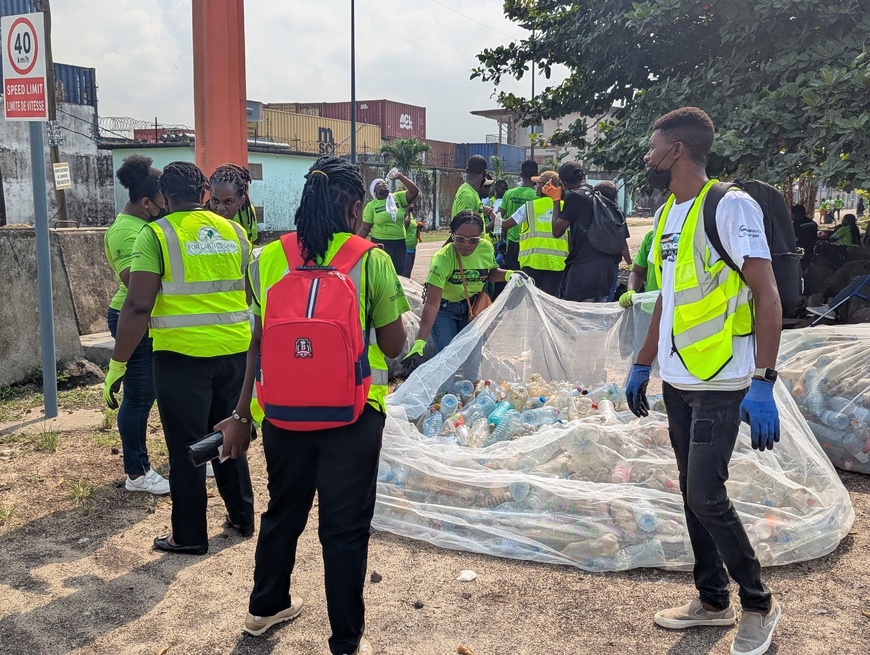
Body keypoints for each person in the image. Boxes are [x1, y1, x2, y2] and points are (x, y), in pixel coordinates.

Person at [217, 156, 409, 655]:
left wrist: (242, 414)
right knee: (344, 528)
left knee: (284, 509)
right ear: (351, 206)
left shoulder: (266, 259)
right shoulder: (372, 259)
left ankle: (265, 608)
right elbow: (392, 346)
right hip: (354, 413)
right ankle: (345, 642)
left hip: (283, 412)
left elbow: (256, 343)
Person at [625, 107, 782, 655]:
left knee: (705, 493)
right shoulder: (670, 212)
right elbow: (668, 298)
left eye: (653, 146)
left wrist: (764, 378)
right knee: (694, 496)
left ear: (677, 151)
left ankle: (759, 604)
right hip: (678, 375)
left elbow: (766, 292)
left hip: (724, 376)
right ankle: (713, 602)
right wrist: (644, 362)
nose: (646, 156)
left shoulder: (731, 205)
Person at [104, 161, 255, 555]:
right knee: (229, 433)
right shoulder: (235, 231)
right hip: (235, 352)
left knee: (186, 445)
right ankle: (242, 516)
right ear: (204, 192)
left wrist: (118, 365)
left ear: (164, 198)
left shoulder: (156, 234)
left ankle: (188, 536)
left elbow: (137, 306)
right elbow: (248, 295)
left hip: (182, 357)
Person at [103, 155, 169, 495]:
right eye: (162, 201)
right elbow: (138, 285)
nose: (166, 207)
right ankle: (137, 471)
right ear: (146, 202)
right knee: (139, 397)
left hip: (148, 317)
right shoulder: (125, 233)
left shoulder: (143, 226)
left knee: (150, 394)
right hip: (132, 317)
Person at [402, 211, 514, 372]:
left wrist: (509, 274)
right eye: (460, 239)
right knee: (448, 358)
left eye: (473, 240)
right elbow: (432, 303)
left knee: (472, 358)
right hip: (445, 311)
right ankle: (447, 395)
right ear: (452, 235)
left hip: (471, 309)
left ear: (480, 237)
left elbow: (488, 273)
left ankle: (468, 393)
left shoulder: (486, 248)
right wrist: (420, 341)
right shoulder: (442, 259)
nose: (466, 244)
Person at [550, 162, 627, 302]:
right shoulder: (596, 194)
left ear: (563, 182)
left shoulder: (575, 197)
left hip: (583, 268)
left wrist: (556, 200)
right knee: (597, 318)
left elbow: (557, 230)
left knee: (577, 318)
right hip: (605, 269)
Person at [500, 170, 568, 295]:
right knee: (550, 303)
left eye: (539, 183)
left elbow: (504, 225)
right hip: (557, 265)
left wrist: (490, 213)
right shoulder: (565, 207)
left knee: (531, 301)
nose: (536, 186)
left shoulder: (529, 206)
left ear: (546, 186)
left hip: (532, 263)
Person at [358, 170, 419, 275]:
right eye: (379, 183)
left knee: (399, 275)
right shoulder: (371, 206)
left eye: (384, 182)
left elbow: (414, 191)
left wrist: (400, 176)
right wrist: (356, 244)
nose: (383, 184)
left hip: (400, 244)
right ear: (374, 191)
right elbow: (364, 229)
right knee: (382, 274)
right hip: (381, 243)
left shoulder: (397, 198)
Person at [595, 181, 632, 301]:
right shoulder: (618, 214)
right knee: (607, 298)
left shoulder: (592, 212)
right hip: (612, 262)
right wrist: (630, 264)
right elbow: (623, 244)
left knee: (590, 300)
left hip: (592, 261)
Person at [499, 161, 540, 270]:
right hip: (530, 244)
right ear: (536, 175)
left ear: (521, 175)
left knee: (512, 278)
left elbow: (499, 216)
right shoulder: (537, 197)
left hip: (512, 243)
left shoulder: (509, 193)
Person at [209, 163, 258, 243]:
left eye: (228, 202)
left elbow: (250, 243)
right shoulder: (203, 214)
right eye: (215, 201)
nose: (220, 208)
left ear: (241, 201)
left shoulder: (247, 212)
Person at [452, 155, 497, 227]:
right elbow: (465, 228)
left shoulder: (469, 190)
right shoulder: (468, 195)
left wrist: (489, 211)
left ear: (466, 170)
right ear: (485, 173)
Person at [618, 228, 659, 308]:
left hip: (682, 311)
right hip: (651, 307)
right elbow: (637, 272)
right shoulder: (652, 236)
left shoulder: (690, 237)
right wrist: (631, 291)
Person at [790, 204, 817, 268]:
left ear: (795, 214)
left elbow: (793, 238)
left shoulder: (796, 225)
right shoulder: (813, 223)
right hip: (811, 249)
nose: (791, 215)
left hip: (800, 251)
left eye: (792, 214)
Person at [403, 201, 424, 278]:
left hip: (412, 248)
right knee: (406, 273)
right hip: (406, 248)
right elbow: (406, 225)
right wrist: (407, 211)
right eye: (409, 202)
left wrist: (418, 226)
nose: (411, 204)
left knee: (409, 272)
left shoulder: (410, 215)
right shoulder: (404, 214)